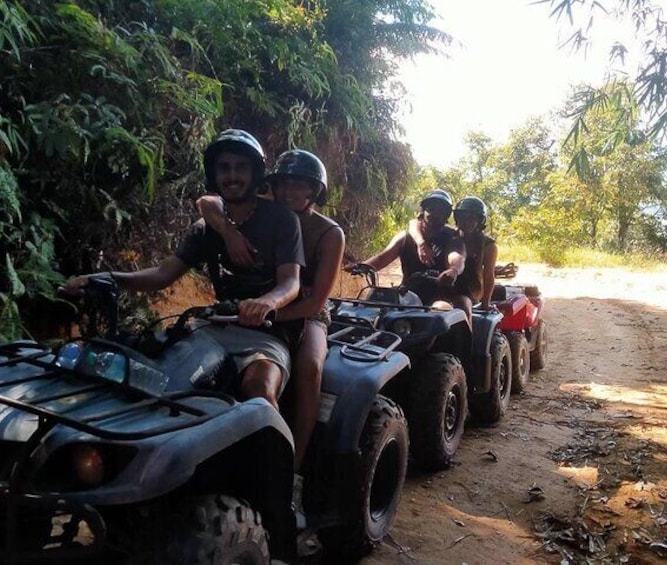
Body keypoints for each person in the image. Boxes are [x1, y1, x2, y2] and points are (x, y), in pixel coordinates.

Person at [64, 129, 304, 410]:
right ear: (214, 174)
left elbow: (290, 283)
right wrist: (105, 278)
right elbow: (161, 275)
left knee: (258, 391)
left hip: (267, 334)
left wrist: (265, 303)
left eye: (241, 168)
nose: (232, 176)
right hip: (214, 328)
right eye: (224, 168)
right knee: (156, 380)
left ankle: (272, 453)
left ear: (255, 174)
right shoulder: (206, 229)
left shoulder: (282, 220)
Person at [196, 149, 344, 484]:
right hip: (255, 306)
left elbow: (316, 300)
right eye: (283, 184)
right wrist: (229, 232)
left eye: (299, 186)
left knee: (310, 368)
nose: (289, 192)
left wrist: (266, 315)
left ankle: (294, 469)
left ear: (314, 191)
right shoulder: (264, 211)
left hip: (306, 312)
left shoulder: (328, 233)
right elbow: (206, 202)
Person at [349, 189, 465, 309]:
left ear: (447, 215)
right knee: (373, 305)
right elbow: (382, 258)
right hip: (406, 296)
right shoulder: (405, 238)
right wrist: (360, 267)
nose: (435, 214)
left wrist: (453, 271)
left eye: (441, 211)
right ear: (423, 210)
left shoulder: (453, 238)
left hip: (440, 297)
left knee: (440, 309)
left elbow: (457, 257)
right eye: (431, 209)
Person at [452, 196, 499, 310]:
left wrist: (485, 302)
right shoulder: (449, 236)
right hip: (447, 290)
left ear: (480, 221)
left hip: (470, 294)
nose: (467, 222)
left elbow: (489, 275)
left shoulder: (488, 246)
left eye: (471, 218)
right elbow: (415, 223)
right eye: (463, 217)